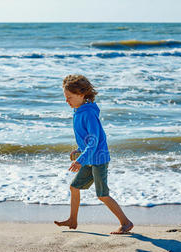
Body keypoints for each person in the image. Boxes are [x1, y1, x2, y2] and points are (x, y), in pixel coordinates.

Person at [54, 75, 134, 234]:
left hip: (98, 160)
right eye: (65, 97)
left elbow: (94, 140)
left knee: (103, 195)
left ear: (81, 95)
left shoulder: (88, 113)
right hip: (89, 158)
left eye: (69, 97)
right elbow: (87, 138)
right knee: (74, 187)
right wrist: (79, 149)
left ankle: (126, 223)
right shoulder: (79, 111)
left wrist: (80, 159)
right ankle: (72, 220)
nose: (66, 101)